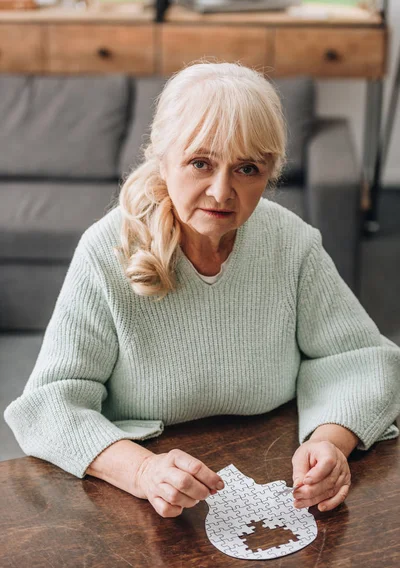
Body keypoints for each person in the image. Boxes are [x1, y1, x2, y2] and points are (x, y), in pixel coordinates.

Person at [4, 60, 400, 520]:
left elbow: (359, 357)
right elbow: (49, 403)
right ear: (161, 157)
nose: (221, 191)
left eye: (247, 168)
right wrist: (142, 472)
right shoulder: (105, 251)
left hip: (274, 464)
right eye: (200, 163)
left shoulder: (291, 241)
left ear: (270, 173)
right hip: (139, 496)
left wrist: (331, 441)